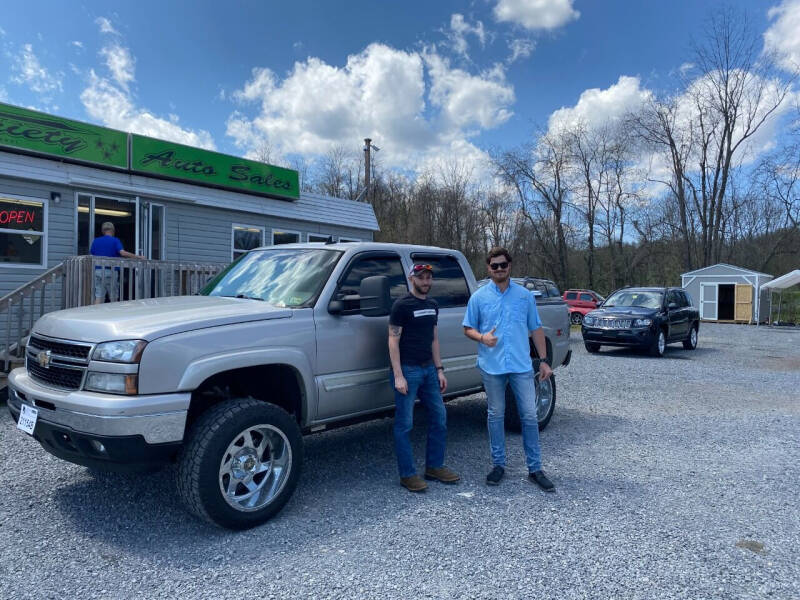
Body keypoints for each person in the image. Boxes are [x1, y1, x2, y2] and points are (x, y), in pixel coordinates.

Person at [462, 247, 556, 491]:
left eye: (503, 264)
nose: (499, 269)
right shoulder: (479, 298)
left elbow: (535, 328)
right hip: (492, 367)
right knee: (496, 415)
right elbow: (467, 328)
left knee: (529, 415)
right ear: (488, 268)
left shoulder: (524, 297)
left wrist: (544, 360)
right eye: (495, 266)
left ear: (510, 266)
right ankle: (498, 465)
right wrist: (482, 338)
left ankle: (535, 468)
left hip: (521, 366)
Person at [388, 263, 460, 492]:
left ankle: (434, 466)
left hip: (429, 370)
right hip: (408, 371)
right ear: (412, 279)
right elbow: (392, 340)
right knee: (405, 424)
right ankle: (407, 474)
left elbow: (434, 339)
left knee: (440, 416)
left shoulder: (432, 305)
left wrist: (439, 369)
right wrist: (398, 376)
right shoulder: (401, 305)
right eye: (421, 278)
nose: (426, 282)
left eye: (429, 278)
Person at [90, 221, 143, 304]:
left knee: (99, 295)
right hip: (111, 271)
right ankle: (113, 315)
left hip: (98, 271)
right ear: (113, 230)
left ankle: (97, 315)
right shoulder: (115, 240)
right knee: (113, 296)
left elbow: (92, 253)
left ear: (103, 231)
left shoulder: (96, 241)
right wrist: (138, 257)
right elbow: (122, 253)